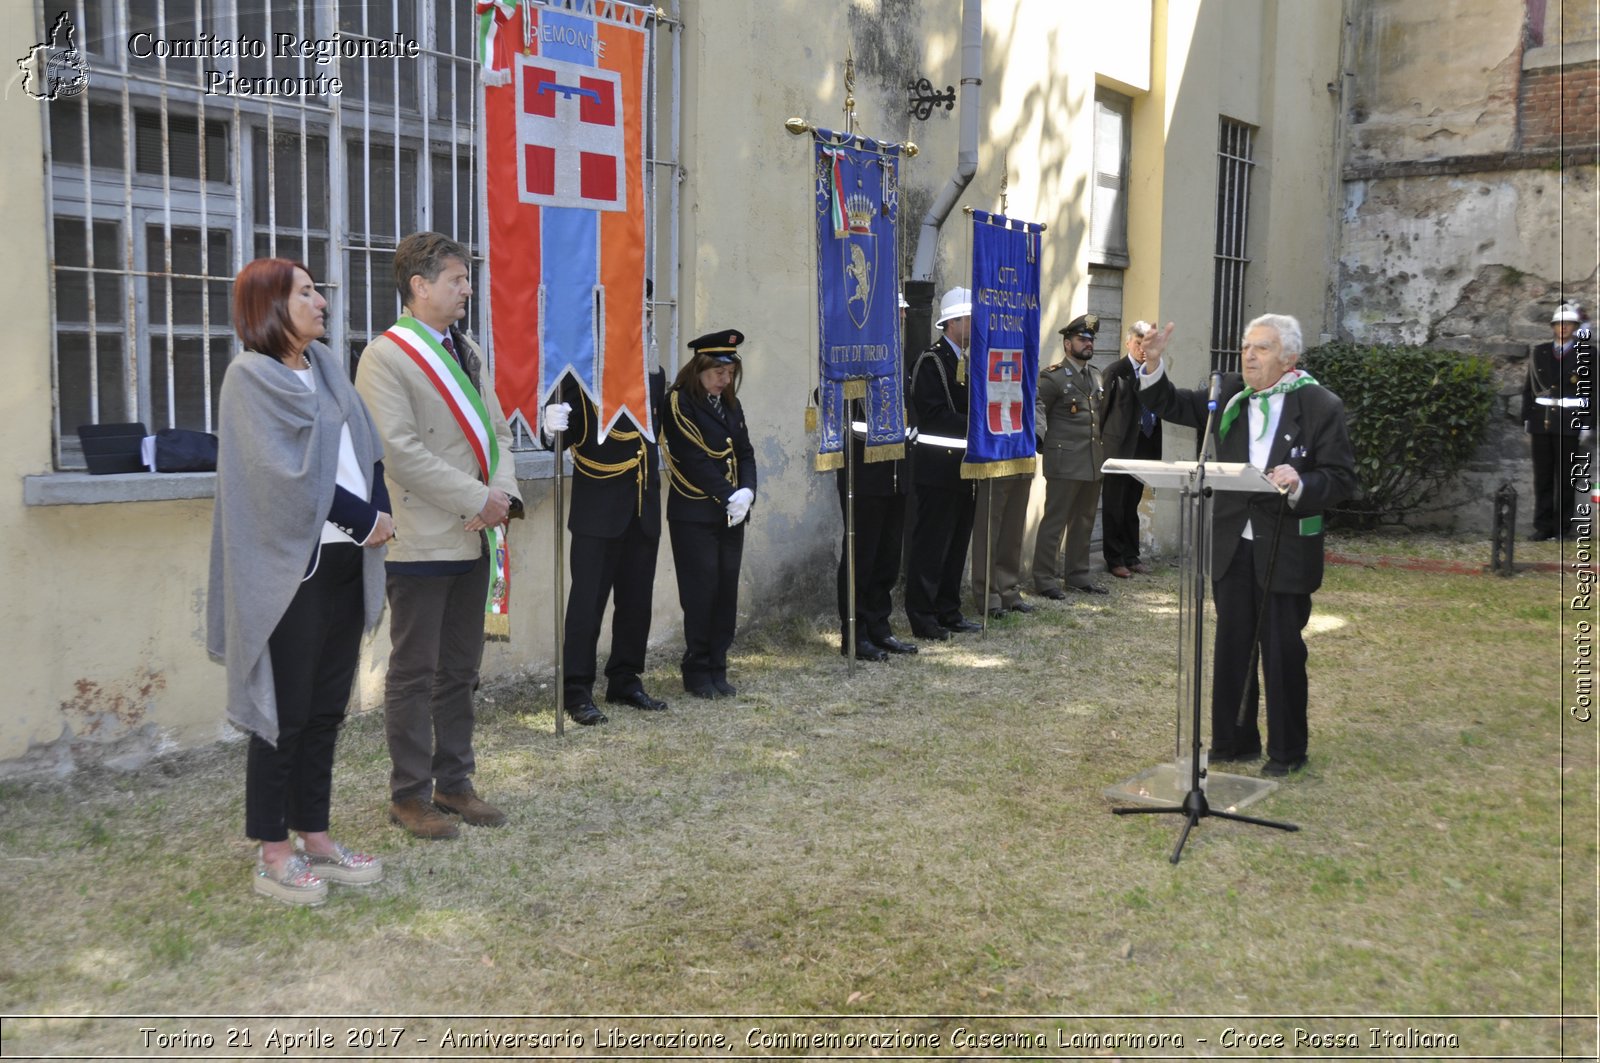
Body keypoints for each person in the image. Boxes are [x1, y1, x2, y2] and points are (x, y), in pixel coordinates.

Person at [208, 258, 392, 905]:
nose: (321, 299)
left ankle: (315, 834)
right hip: (291, 573)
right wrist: (363, 516)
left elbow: (365, 450)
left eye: (317, 289)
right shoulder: (249, 379)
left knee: (323, 713)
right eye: (305, 291)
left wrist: (379, 506)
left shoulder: (327, 369)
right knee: (281, 718)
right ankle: (273, 852)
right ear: (269, 306)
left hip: (344, 564)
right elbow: (285, 482)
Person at [355, 232, 522, 839]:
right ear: (419, 286)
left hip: (476, 534)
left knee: (460, 670)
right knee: (414, 672)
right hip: (422, 539)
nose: (467, 289)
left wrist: (500, 497)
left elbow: (498, 431)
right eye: (457, 279)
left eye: (467, 278)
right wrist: (479, 497)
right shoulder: (385, 357)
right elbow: (398, 453)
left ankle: (455, 784)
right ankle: (409, 795)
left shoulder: (467, 348)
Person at [1138, 313, 1356, 777]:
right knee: (1233, 644)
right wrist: (1153, 362)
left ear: (1289, 357)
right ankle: (1234, 742)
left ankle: (1287, 750)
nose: (1249, 356)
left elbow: (1340, 479)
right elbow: (1169, 403)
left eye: (1262, 348)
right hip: (1233, 542)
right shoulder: (1228, 396)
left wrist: (1301, 481)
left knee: (1281, 649)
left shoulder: (1319, 405)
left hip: (1285, 542)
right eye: (1245, 346)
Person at [543, 300, 669, 724]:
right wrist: (550, 425)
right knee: (587, 605)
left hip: (641, 503)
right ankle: (576, 691)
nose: (643, 321)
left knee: (636, 601)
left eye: (646, 315)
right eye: (636, 313)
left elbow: (652, 434)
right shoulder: (578, 375)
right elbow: (564, 436)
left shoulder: (652, 372)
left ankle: (626, 679)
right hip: (599, 507)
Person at [662, 329, 757, 699]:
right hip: (695, 514)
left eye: (729, 372)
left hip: (731, 513)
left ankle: (718, 665)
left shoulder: (729, 404)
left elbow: (744, 451)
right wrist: (729, 495)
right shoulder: (679, 402)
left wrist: (747, 493)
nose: (725, 379)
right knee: (701, 594)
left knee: (725, 593)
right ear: (699, 367)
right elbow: (694, 458)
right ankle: (697, 669)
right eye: (718, 372)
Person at [904, 287, 982, 641]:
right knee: (931, 546)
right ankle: (923, 616)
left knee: (956, 545)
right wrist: (978, 422)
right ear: (952, 322)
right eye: (969, 319)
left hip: (965, 468)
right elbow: (933, 417)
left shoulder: (971, 360)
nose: (974, 324)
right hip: (936, 468)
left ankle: (949, 610)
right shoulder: (931, 361)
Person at [1032, 313, 1109, 598]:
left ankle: (1077, 575)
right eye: (1082, 339)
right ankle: (1044, 579)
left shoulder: (1096, 375)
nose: (1088, 344)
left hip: (1091, 461)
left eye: (1091, 339)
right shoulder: (1052, 377)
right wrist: (1040, 437)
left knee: (1085, 521)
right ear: (1067, 344)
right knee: (1055, 521)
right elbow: (1038, 408)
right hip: (1064, 462)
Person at [835, 398, 917, 661]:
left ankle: (878, 626)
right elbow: (823, 396)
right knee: (861, 558)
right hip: (864, 477)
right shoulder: (852, 363)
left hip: (897, 472)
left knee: (887, 559)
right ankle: (854, 633)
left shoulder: (897, 366)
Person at [1522, 301, 1592, 541]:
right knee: (1542, 476)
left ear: (1575, 326)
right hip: (1542, 419)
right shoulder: (1540, 351)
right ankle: (1543, 526)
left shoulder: (1587, 352)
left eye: (1568, 324)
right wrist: (1527, 417)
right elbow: (1529, 387)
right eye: (1559, 324)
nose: (1563, 328)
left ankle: (1562, 527)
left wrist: (1586, 423)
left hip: (1569, 419)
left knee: (1566, 477)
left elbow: (1591, 390)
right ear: (1553, 327)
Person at [1100, 320, 1163, 577]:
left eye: (1146, 344)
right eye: (1138, 343)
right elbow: (1102, 413)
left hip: (1144, 448)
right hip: (1118, 449)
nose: (1142, 349)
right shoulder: (1116, 371)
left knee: (1132, 504)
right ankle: (1114, 559)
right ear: (1128, 343)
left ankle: (1131, 554)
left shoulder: (1155, 372)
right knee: (1114, 505)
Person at [971, 471, 1036, 619]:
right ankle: (987, 596)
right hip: (995, 457)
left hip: (1022, 455)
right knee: (989, 529)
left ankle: (1008, 591)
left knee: (1013, 527)